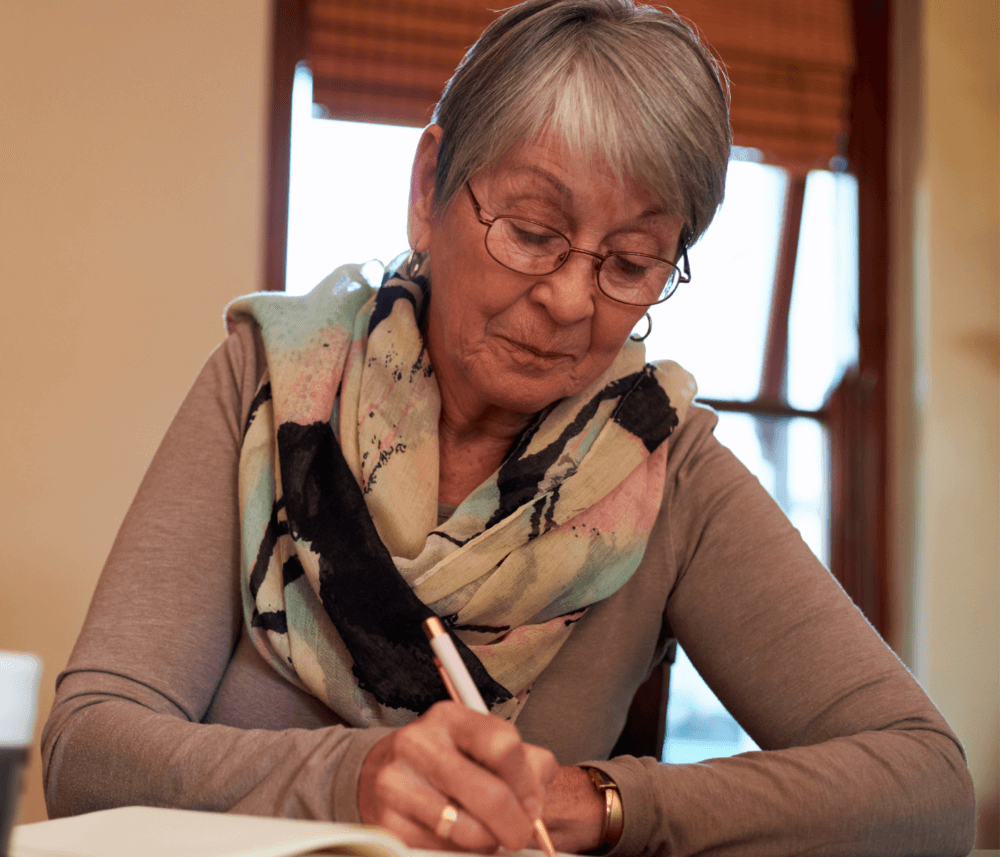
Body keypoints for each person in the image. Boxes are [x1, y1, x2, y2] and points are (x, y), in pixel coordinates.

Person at [42, 1, 975, 854]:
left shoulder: (662, 468)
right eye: (532, 232)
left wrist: (602, 802)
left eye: (631, 262)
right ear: (428, 187)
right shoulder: (274, 387)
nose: (572, 300)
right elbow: (89, 744)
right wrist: (348, 780)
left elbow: (925, 782)